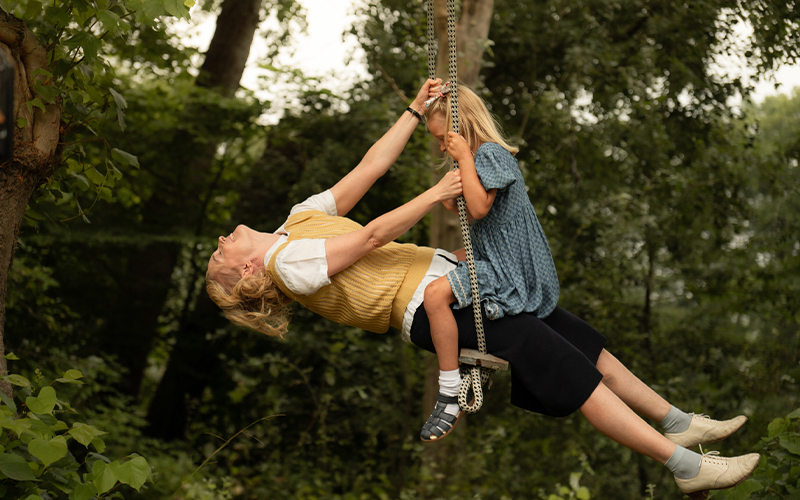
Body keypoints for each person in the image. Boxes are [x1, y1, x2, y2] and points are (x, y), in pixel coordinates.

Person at [205, 79, 759, 500]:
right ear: (249, 273)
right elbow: (372, 236)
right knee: (559, 363)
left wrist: (414, 109)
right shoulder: (289, 265)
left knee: (577, 337)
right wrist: (435, 192)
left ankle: (676, 422)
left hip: (456, 281)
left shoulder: (294, 224)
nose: (222, 239)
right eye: (218, 254)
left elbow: (371, 167)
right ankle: (684, 466)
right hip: (427, 308)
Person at [418, 84, 561, 443]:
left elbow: (479, 208)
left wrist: (465, 159)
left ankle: (449, 392)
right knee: (441, 270)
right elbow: (459, 207)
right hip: (493, 255)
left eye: (444, 137)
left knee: (436, 295)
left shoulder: (490, 155)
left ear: (463, 127)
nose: (441, 146)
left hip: (507, 265)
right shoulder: (474, 161)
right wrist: (450, 183)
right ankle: (462, 363)